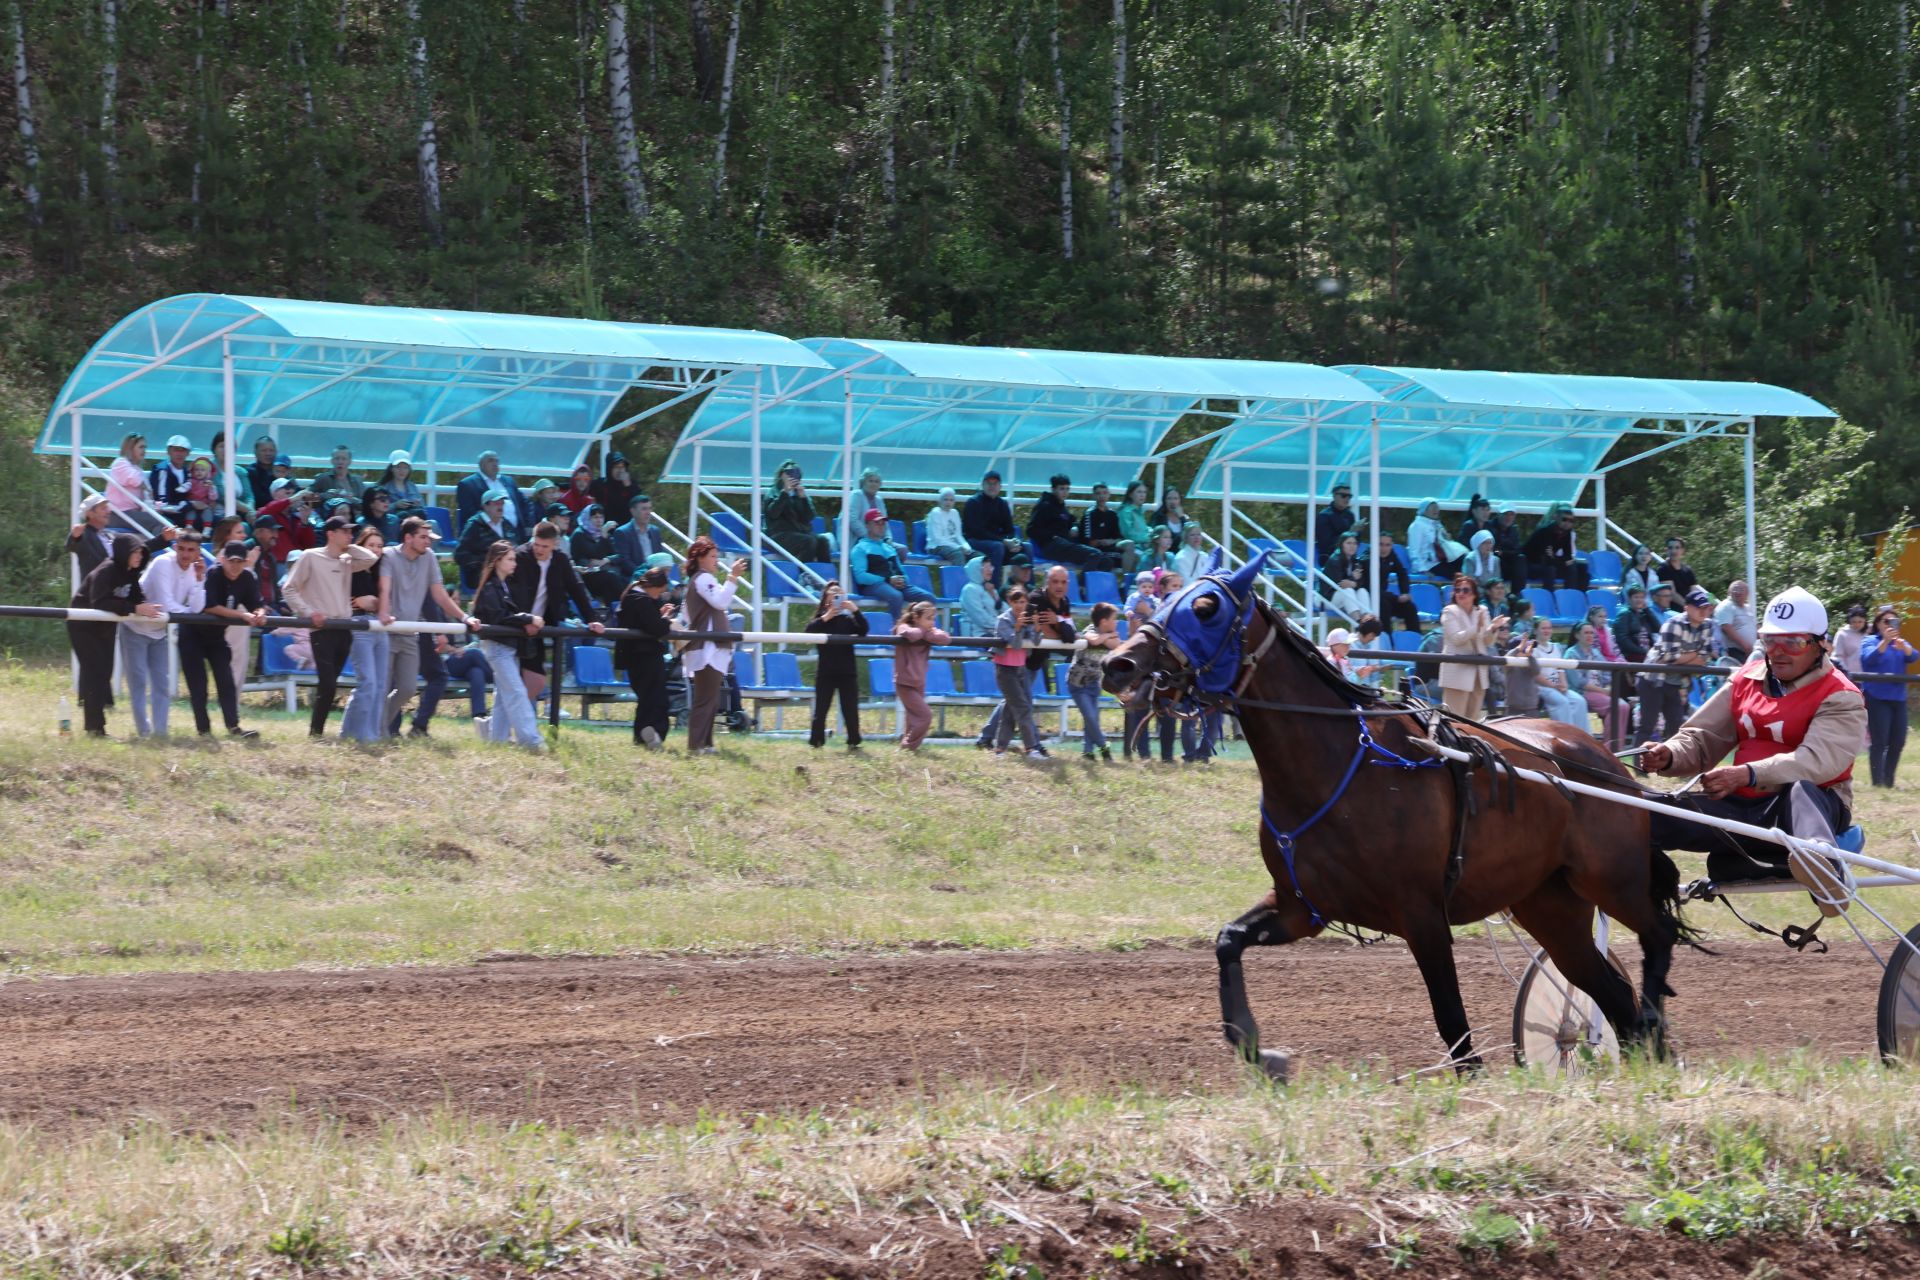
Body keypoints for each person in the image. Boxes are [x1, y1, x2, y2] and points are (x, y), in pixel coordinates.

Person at [1640, 586, 1866, 885]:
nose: (1779, 651)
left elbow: (1817, 762)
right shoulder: (1744, 679)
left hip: (1805, 811)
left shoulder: (1841, 696)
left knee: (1802, 788)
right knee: (1641, 812)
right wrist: (1669, 754)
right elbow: (1701, 738)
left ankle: (1822, 865)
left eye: (1793, 642)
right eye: (1770, 641)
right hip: (1741, 807)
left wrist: (1746, 774)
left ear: (1821, 644)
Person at [281, 515, 380, 738]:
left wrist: (348, 546)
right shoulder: (310, 557)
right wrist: (308, 613)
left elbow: (370, 558)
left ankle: (317, 732)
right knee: (327, 684)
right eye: (344, 531)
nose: (350, 535)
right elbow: (289, 589)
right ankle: (315, 733)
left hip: (343, 628)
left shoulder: (346, 560)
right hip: (322, 628)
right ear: (330, 534)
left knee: (331, 684)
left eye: (351, 531)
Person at [380, 516, 477, 738]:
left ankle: (376, 725)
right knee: (381, 687)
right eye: (423, 537)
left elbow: (440, 596)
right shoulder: (388, 555)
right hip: (385, 632)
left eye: (429, 538)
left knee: (406, 688)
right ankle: (379, 730)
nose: (428, 542)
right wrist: (384, 612)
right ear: (408, 537)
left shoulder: (429, 557)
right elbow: (384, 589)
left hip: (410, 633)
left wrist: (464, 618)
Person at [68, 534, 164, 736]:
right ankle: (94, 728)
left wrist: (146, 607)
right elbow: (99, 602)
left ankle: (96, 726)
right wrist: (134, 608)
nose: (138, 556)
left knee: (105, 672)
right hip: (83, 625)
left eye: (140, 552)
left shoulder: (130, 573)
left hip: (105, 625)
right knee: (95, 672)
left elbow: (136, 597)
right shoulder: (106, 570)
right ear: (123, 552)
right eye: (134, 552)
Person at [509, 520, 607, 713]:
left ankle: (518, 720)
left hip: (538, 626)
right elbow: (512, 594)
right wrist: (523, 620)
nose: (539, 549)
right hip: (515, 624)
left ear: (555, 544)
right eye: (536, 544)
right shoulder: (520, 556)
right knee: (517, 679)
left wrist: (592, 618)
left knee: (535, 679)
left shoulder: (560, 560)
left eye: (544, 546)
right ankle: (514, 721)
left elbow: (576, 588)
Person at [469, 540, 546, 750]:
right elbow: (500, 617)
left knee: (504, 697)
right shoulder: (490, 589)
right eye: (510, 559)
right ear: (497, 561)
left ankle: (497, 740)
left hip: (505, 649)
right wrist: (528, 618)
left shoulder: (501, 586)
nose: (515, 563)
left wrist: (525, 619)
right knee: (516, 693)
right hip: (497, 648)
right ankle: (531, 741)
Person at [189, 541, 267, 739]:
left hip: (216, 636)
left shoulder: (247, 577)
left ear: (246, 562)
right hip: (192, 635)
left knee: (226, 681)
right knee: (199, 685)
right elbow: (209, 606)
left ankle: (234, 727)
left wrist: (259, 613)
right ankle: (203, 730)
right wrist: (242, 615)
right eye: (231, 561)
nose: (235, 566)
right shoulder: (214, 574)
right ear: (222, 560)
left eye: (240, 562)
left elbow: (257, 603)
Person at [681, 537, 748, 754]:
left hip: (709, 648)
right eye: (712, 556)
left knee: (710, 700)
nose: (716, 561)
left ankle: (706, 744)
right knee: (705, 700)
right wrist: (733, 578)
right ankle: (696, 746)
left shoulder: (699, 580)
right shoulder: (703, 579)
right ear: (700, 558)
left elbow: (687, 612)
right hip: (707, 649)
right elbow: (720, 602)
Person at [1639, 585, 1716, 746]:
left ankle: (1672, 765)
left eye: (1706, 607)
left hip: (1676, 682)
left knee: (1675, 726)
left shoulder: (1708, 625)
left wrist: (1684, 658)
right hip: (1653, 679)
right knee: (1648, 725)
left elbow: (1705, 658)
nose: (1703, 611)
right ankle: (1638, 768)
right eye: (1698, 607)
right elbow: (1668, 657)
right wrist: (1695, 655)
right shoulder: (1673, 623)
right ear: (1686, 608)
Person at [339, 526, 393, 742]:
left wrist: (374, 602)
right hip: (358, 624)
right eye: (371, 545)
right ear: (361, 546)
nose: (377, 550)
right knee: (368, 682)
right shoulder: (351, 566)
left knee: (380, 685)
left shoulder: (383, 571)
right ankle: (357, 735)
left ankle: (368, 734)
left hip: (380, 627)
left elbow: (386, 603)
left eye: (380, 546)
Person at [616, 565, 676, 747]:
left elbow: (643, 622)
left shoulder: (632, 596)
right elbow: (656, 628)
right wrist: (665, 619)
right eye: (660, 591)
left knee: (647, 699)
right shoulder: (641, 600)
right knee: (655, 699)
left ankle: (643, 735)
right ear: (653, 586)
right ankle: (652, 732)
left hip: (635, 656)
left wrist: (658, 615)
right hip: (645, 656)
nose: (660, 595)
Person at [804, 581, 867, 749]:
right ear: (826, 599)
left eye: (840, 593)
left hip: (847, 671)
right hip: (826, 672)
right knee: (821, 709)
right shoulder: (820, 620)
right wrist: (826, 617)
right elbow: (808, 632)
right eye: (833, 593)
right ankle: (816, 741)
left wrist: (855, 610)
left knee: (850, 709)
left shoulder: (847, 620)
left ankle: (854, 740)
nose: (837, 595)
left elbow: (863, 629)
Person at [1862, 609, 1920, 788]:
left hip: (1898, 697)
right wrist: (1885, 642)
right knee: (1880, 741)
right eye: (1886, 621)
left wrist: (1905, 648)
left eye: (1893, 621)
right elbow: (1867, 659)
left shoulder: (1899, 642)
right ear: (1878, 623)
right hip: (1877, 696)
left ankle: (1888, 781)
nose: (1890, 625)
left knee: (1898, 741)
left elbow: (1914, 656)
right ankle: (1877, 782)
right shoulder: (1870, 640)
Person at [1437, 574, 1502, 719]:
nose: (1461, 593)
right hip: (1457, 673)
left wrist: (1493, 629)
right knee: (1453, 720)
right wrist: (1475, 627)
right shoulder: (1449, 611)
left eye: (1465, 590)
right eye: (1457, 590)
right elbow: (1456, 639)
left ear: (1474, 594)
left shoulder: (1482, 610)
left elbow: (1487, 642)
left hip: (1479, 674)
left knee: (1472, 721)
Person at [992, 586, 1046, 759]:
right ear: (1010, 602)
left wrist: (1037, 627)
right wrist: (1017, 628)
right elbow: (1015, 644)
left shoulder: (1028, 620)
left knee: (1010, 710)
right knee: (1023, 708)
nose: (1020, 605)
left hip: (1021, 669)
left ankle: (1000, 749)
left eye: (1023, 602)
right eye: (1016, 602)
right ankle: (1031, 748)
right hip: (1005, 670)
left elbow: (1036, 642)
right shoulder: (1003, 620)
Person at [850, 509, 932, 620]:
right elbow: (861, 577)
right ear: (867, 526)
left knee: (928, 598)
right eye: (876, 523)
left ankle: (919, 627)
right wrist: (888, 580)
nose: (881, 526)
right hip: (874, 585)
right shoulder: (859, 548)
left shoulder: (889, 548)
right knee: (896, 596)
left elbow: (901, 571)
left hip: (894, 584)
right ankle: (895, 631)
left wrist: (903, 580)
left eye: (883, 523)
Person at [893, 600, 951, 751]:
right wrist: (925, 632)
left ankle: (906, 749)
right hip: (904, 682)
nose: (932, 622)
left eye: (933, 619)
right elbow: (909, 634)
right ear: (916, 617)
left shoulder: (929, 632)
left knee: (912, 717)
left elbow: (945, 638)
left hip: (919, 681)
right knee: (925, 716)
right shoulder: (904, 626)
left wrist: (928, 632)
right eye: (928, 618)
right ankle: (908, 746)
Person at [1067, 602, 1121, 760]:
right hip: (1077, 683)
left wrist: (1105, 637)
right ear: (1103, 622)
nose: (1116, 622)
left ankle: (1088, 751)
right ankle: (1104, 745)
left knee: (1091, 718)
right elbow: (1094, 640)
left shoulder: (1113, 633)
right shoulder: (1090, 629)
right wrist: (1105, 637)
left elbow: (1115, 645)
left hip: (1093, 683)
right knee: (1090, 716)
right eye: (1114, 619)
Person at [1028, 473, 1106, 568]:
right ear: (1053, 489)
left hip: (1065, 545)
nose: (1065, 492)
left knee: (1105, 561)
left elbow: (1072, 520)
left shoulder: (1061, 506)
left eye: (1067, 489)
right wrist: (1053, 537)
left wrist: (1074, 526)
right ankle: (1081, 583)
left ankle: (1091, 581)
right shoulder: (1045, 505)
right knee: (1094, 554)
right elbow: (1031, 529)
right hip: (1052, 546)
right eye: (1061, 489)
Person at [1567, 620, 1622, 748]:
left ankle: (1616, 745)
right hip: (1584, 692)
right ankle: (1609, 747)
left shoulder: (1596, 652)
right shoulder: (1571, 653)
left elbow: (1607, 672)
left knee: (1623, 706)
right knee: (1617, 706)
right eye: (1586, 633)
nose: (1590, 635)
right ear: (1577, 635)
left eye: (1592, 633)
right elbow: (1578, 681)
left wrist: (1608, 686)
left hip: (1600, 691)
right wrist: (1602, 691)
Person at [1527, 616, 1588, 728]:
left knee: (1579, 701)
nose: (1547, 631)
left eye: (1549, 628)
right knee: (1562, 702)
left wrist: (1563, 684)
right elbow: (1536, 675)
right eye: (1543, 628)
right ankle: (1565, 736)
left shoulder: (1556, 647)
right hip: (1541, 687)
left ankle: (1582, 736)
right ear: (1535, 630)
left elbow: (1560, 668)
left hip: (1557, 685)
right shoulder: (1532, 649)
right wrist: (1553, 686)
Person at [962, 470, 1022, 581]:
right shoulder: (973, 503)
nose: (992, 486)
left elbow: (1009, 529)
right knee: (997, 547)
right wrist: (1003, 541)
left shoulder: (1002, 504)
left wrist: (1014, 541)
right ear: (983, 485)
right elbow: (976, 531)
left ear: (1000, 486)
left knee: (1025, 547)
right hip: (974, 542)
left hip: (996, 542)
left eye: (995, 483)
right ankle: (993, 588)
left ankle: (1024, 591)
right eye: (989, 483)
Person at [765, 459, 829, 562]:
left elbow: (809, 517)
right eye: (789, 473)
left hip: (799, 533)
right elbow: (773, 514)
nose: (793, 476)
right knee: (808, 541)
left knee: (822, 541)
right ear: (781, 475)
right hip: (778, 535)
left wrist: (803, 499)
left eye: (796, 473)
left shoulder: (799, 494)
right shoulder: (773, 492)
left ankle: (825, 576)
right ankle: (804, 575)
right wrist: (785, 492)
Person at [455, 451, 530, 532]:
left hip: (516, 534)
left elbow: (526, 503)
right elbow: (470, 514)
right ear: (481, 464)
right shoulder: (468, 485)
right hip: (487, 535)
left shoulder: (508, 481)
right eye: (490, 461)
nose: (495, 464)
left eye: (496, 461)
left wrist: (528, 526)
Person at [1522, 502, 1589, 591]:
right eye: (1564, 519)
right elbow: (1546, 559)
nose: (1567, 523)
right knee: (1551, 568)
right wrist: (1564, 561)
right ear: (1556, 517)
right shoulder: (1545, 531)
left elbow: (1567, 557)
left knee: (1581, 568)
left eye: (1571, 521)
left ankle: (1574, 598)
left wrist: (1563, 560)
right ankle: (1550, 598)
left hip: (1551, 563)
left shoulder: (1566, 532)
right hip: (1532, 565)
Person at [455, 489, 513, 590]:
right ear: (485, 506)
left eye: (502, 503)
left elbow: (515, 545)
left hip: (506, 573)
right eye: (496, 503)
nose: (500, 506)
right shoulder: (474, 525)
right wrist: (486, 562)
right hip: (483, 577)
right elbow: (460, 554)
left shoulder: (506, 524)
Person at [1361, 532, 1419, 632]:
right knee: (1384, 604)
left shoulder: (1391, 554)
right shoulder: (1367, 557)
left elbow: (1402, 573)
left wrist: (1405, 592)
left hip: (1384, 597)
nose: (1384, 548)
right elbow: (1370, 587)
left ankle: (1416, 641)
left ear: (1391, 545)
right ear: (1375, 544)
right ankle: (1388, 641)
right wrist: (1397, 598)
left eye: (1388, 545)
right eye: (1381, 544)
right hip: (1369, 599)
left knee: (1409, 607)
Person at [108, 433, 162, 534]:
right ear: (130, 448)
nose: (144, 451)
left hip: (130, 513)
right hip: (117, 514)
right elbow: (136, 480)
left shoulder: (137, 468)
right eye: (141, 447)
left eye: (145, 447)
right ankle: (154, 549)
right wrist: (147, 488)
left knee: (168, 522)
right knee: (160, 524)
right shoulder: (120, 463)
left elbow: (148, 495)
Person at [570, 504, 624, 601]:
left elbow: (619, 555)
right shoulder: (579, 534)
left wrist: (606, 560)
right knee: (611, 577)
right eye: (595, 517)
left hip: (603, 572)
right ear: (587, 518)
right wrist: (603, 535)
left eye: (601, 517)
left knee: (618, 577)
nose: (599, 520)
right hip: (586, 575)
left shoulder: (602, 533)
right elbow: (595, 555)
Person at [612, 493, 668, 579]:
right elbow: (624, 561)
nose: (648, 512)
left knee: (676, 585)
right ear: (633, 511)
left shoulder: (655, 531)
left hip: (656, 576)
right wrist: (644, 575)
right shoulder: (622, 532)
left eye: (649, 508)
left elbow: (660, 555)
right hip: (636, 577)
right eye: (644, 509)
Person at [1408, 499, 1464, 578]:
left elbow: (1446, 546)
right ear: (1424, 510)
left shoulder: (1437, 524)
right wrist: (1423, 570)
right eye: (1431, 507)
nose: (1435, 510)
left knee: (1465, 559)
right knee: (1457, 573)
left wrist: (1448, 539)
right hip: (1429, 565)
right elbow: (1414, 551)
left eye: (1436, 507)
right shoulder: (1417, 526)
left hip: (1442, 560)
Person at [256, 481, 318, 553]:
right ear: (274, 495)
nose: (294, 497)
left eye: (293, 494)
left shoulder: (296, 516)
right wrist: (293, 498)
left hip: (298, 558)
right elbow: (265, 512)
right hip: (279, 561)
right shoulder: (266, 512)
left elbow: (308, 545)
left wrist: (305, 522)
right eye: (287, 493)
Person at [148, 434, 194, 524]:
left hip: (183, 514)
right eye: (176, 449)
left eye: (183, 450)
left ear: (188, 453)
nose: (179, 453)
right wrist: (190, 505)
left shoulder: (187, 472)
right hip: (166, 516)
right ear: (168, 451)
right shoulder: (162, 470)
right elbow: (162, 504)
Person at [1612, 585, 1658, 665]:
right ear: (1629, 599)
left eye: (1642, 597)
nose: (1639, 600)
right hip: (1631, 654)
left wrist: (1647, 610)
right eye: (1636, 597)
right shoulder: (1624, 614)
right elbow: (1623, 640)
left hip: (1646, 652)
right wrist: (1642, 651)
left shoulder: (1643, 614)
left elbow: (1658, 628)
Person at [1312, 482, 1355, 564]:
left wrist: (1356, 532)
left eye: (1349, 496)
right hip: (1330, 559)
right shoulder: (1324, 516)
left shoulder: (1350, 515)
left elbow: (1355, 541)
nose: (1347, 499)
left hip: (1348, 559)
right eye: (1343, 496)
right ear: (1334, 495)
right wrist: (1349, 534)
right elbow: (1325, 543)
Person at [925, 487, 969, 565]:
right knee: (958, 555)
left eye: (951, 500)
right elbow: (938, 539)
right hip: (936, 546)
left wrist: (966, 547)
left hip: (953, 546)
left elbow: (958, 535)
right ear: (940, 500)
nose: (948, 502)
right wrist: (958, 547)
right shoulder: (936, 513)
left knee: (976, 556)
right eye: (945, 499)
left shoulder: (955, 513)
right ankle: (958, 577)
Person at [1715, 580, 1756, 663]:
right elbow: (1726, 627)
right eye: (1734, 589)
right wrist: (1746, 647)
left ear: (1747, 593)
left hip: (1750, 651)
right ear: (1729, 592)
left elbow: (1754, 627)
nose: (1737, 591)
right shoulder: (1726, 606)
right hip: (1734, 652)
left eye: (1741, 589)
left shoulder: (1748, 608)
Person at [958, 554, 1000, 636]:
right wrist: (1002, 625)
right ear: (975, 569)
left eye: (990, 566)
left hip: (994, 631)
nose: (990, 570)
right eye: (985, 567)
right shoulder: (969, 589)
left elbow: (1003, 609)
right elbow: (981, 619)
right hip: (976, 635)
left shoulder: (990, 588)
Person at [592, 451, 636, 517]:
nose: (620, 470)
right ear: (610, 468)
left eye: (622, 467)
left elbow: (637, 504)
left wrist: (629, 487)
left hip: (627, 525)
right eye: (617, 467)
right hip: (606, 524)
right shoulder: (599, 485)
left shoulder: (631, 484)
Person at [1116, 481, 1154, 554]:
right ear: (1130, 494)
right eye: (1139, 492)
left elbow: (1142, 529)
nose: (1142, 495)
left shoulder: (1139, 511)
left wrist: (1151, 531)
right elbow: (1128, 534)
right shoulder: (1126, 511)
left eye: (1144, 492)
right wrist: (1148, 538)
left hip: (1144, 545)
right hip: (1134, 547)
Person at [244, 436, 281, 510]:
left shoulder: (281, 471)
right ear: (255, 452)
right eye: (264, 450)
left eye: (271, 450)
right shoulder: (250, 472)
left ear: (276, 452)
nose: (268, 454)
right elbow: (258, 499)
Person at [1833, 605, 1870, 674]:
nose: (1857, 624)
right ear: (1850, 621)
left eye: (1860, 622)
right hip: (1850, 674)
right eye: (1854, 622)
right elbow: (1838, 656)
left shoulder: (1868, 632)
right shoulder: (1842, 634)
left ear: (1865, 621)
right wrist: (1845, 671)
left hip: (1868, 675)